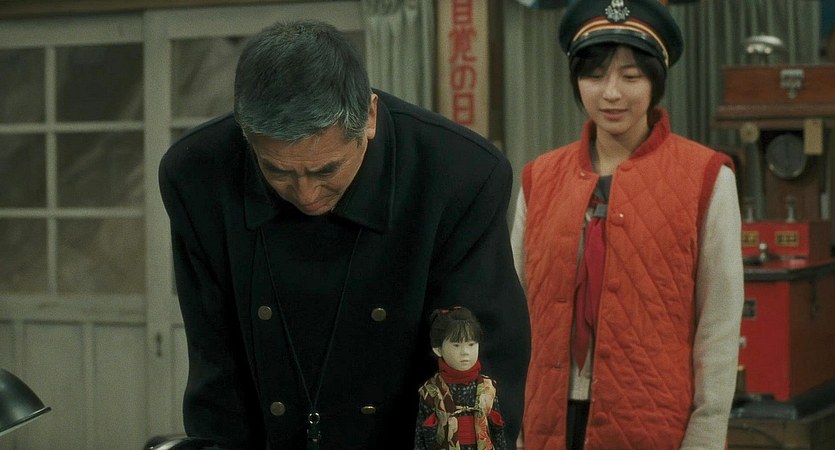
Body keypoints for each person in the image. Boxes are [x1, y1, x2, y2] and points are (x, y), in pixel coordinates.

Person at [158, 19, 530, 450]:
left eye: (326, 170)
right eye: (278, 171)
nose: (305, 194)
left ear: (369, 117)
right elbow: (215, 366)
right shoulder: (197, 175)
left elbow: (475, 359)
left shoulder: (458, 174)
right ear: (245, 135)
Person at [510, 1, 744, 448]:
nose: (611, 93)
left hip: (653, 427)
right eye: (595, 76)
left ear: (657, 80)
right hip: (544, 423)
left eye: (631, 77)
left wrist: (706, 437)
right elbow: (514, 310)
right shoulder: (539, 178)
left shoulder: (707, 177)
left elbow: (719, 324)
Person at [415, 306, 506, 450]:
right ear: (438, 349)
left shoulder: (488, 387)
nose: (465, 352)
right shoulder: (430, 391)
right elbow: (420, 437)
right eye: (456, 345)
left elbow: (498, 433)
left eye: (471, 344)